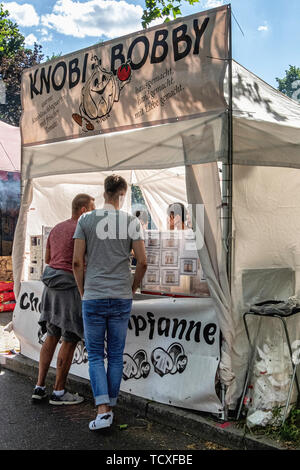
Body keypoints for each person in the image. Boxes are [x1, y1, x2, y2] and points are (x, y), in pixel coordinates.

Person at [73, 174, 147, 430]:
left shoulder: (85, 219)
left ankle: (103, 410)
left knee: (95, 355)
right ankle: (110, 407)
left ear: (104, 192)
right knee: (115, 355)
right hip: (120, 295)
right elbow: (143, 261)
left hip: (93, 294)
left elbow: (76, 262)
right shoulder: (131, 221)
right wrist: (133, 287)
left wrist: (83, 290)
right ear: (123, 194)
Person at [32, 193, 95, 405]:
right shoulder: (83, 229)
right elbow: (80, 263)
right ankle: (58, 391)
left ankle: (39, 387)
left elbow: (48, 258)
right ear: (84, 210)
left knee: (51, 334)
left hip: (50, 285)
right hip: (70, 287)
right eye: (92, 210)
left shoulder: (57, 228)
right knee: (69, 337)